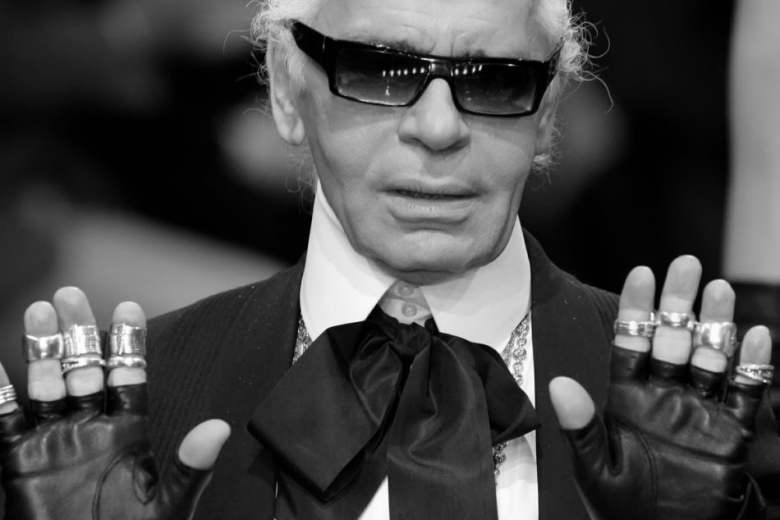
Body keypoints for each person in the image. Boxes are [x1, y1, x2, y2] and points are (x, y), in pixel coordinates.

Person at [0, 0, 778, 518]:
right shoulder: (143, 402)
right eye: (378, 71)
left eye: (496, 80)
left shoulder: (696, 419)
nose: (438, 128)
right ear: (286, 92)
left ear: (546, 116)